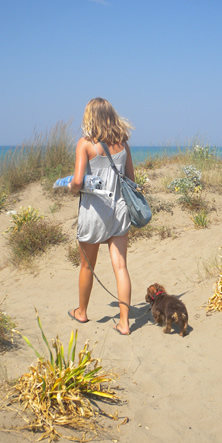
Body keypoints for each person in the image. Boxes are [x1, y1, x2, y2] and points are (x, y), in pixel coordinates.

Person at [68, 98, 135, 335]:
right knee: (121, 267)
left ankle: (82, 312)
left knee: (87, 266)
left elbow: (77, 181)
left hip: (94, 212)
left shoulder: (85, 144)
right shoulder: (123, 144)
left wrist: (71, 189)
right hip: (118, 211)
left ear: (90, 117)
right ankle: (125, 323)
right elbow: (131, 179)